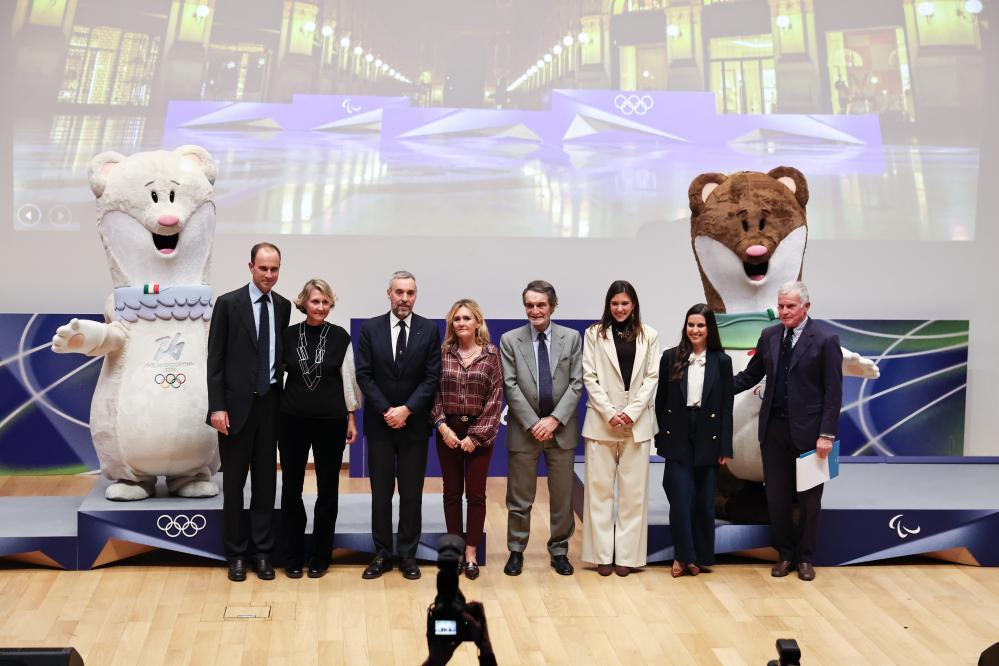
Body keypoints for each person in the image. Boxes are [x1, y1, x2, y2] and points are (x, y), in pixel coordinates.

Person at [733, 281, 842, 581]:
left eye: (790, 306)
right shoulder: (769, 335)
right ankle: (784, 554)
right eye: (780, 306)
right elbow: (750, 375)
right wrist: (715, 388)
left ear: (806, 306)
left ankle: (805, 558)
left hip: (811, 434)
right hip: (773, 431)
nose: (783, 311)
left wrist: (827, 435)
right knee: (777, 499)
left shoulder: (826, 339)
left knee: (809, 501)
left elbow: (833, 392)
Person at [207, 242, 292, 582]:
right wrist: (217, 406)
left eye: (274, 269)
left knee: (265, 484)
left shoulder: (283, 306)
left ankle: (262, 553)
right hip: (234, 410)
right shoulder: (228, 304)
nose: (268, 275)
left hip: (270, 406)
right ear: (251, 267)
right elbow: (215, 359)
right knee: (234, 485)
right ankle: (236, 555)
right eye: (263, 268)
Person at [355, 270, 442, 580]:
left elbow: (432, 377)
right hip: (380, 425)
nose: (404, 298)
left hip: (414, 425)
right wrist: (387, 410)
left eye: (410, 293)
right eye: (399, 292)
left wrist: (406, 410)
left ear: (415, 296)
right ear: (389, 293)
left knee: (411, 493)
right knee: (380, 494)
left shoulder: (429, 330)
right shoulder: (371, 329)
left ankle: (407, 554)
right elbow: (364, 374)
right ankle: (381, 553)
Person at [278, 279, 360, 579]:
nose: (320, 307)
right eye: (315, 301)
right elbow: (275, 376)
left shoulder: (340, 337)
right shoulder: (287, 335)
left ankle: (321, 556)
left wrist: (351, 416)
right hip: (292, 420)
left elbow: (349, 380)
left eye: (325, 302)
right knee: (291, 489)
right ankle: (292, 555)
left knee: (328, 490)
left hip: (331, 422)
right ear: (304, 303)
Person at [500, 280, 583, 576]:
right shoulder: (510, 340)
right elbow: (509, 385)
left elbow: (577, 383)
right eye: (529, 305)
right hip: (525, 431)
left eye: (541, 305)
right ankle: (516, 550)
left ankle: (559, 550)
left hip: (561, 430)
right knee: (519, 498)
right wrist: (535, 423)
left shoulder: (571, 338)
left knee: (562, 497)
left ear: (553, 306)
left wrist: (554, 420)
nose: (535, 310)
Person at [580, 280, 659, 577]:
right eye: (615, 303)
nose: (620, 308)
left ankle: (627, 556)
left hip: (637, 424)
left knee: (633, 495)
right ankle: (601, 554)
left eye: (625, 303)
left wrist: (631, 412)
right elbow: (589, 376)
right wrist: (610, 412)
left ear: (633, 304)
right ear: (608, 305)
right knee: (599, 492)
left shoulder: (650, 335)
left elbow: (652, 378)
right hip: (602, 423)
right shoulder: (593, 334)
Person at [654, 304, 733, 578]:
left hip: (708, 434)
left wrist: (725, 446)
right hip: (677, 432)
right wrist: (659, 437)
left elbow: (726, 407)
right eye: (691, 324)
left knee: (704, 501)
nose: (695, 330)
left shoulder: (722, 361)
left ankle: (699, 556)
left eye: (700, 325)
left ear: (709, 329)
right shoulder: (670, 357)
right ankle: (682, 556)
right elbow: (660, 400)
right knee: (679, 498)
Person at [430, 299, 503, 580]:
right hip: (447, 431)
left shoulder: (491, 355)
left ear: (477, 322)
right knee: (451, 493)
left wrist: (475, 436)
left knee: (475, 494)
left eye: (467, 318)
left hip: (479, 434)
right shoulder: (442, 354)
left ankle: (471, 553)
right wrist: (442, 427)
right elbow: (433, 393)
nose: (461, 323)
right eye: (457, 319)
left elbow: (495, 399)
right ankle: (456, 551)